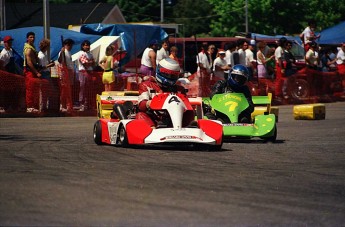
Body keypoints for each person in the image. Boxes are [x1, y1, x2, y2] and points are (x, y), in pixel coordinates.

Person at [135, 58, 194, 128]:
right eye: (168, 75)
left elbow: (187, 106)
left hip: (174, 120)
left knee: (189, 113)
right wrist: (149, 103)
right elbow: (142, 105)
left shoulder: (179, 89)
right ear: (159, 71)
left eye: (173, 76)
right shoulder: (146, 85)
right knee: (140, 115)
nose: (170, 78)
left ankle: (184, 130)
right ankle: (152, 131)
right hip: (154, 118)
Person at [23, 31, 49, 113]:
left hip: (33, 70)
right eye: (30, 37)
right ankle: (29, 107)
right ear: (27, 38)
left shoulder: (32, 47)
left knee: (34, 89)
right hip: (29, 71)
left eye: (33, 37)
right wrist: (36, 72)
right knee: (30, 88)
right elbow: (29, 63)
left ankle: (33, 106)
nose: (32, 39)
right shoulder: (29, 49)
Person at [77, 40, 95, 112]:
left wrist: (90, 62)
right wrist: (91, 62)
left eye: (88, 45)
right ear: (82, 46)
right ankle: (82, 104)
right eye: (85, 45)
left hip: (90, 72)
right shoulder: (81, 53)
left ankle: (87, 104)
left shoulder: (90, 54)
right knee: (83, 88)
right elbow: (85, 64)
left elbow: (94, 63)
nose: (87, 47)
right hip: (83, 72)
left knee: (89, 89)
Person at [58, 38, 75, 113]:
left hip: (70, 72)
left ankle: (68, 105)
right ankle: (62, 105)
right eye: (69, 45)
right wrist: (61, 52)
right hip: (65, 72)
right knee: (64, 89)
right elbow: (59, 60)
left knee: (68, 90)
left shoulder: (69, 52)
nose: (70, 46)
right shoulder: (63, 52)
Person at [38, 38, 55, 111]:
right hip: (44, 74)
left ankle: (45, 106)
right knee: (43, 91)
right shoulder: (41, 56)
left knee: (47, 91)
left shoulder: (44, 54)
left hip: (47, 73)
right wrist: (50, 65)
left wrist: (50, 62)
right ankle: (42, 107)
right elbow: (41, 67)